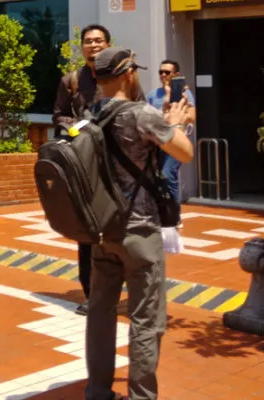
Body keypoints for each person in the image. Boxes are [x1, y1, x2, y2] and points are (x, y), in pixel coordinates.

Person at [86, 47, 193, 400]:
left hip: (103, 230)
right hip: (140, 229)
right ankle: (142, 396)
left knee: (100, 313)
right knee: (146, 319)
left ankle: (98, 391)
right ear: (128, 73)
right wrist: (175, 123)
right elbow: (185, 153)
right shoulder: (140, 114)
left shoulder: (90, 115)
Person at [53, 24, 111, 315]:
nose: (93, 45)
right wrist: (77, 131)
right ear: (82, 47)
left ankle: (115, 286)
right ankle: (91, 293)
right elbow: (59, 116)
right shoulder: (71, 80)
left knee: (117, 229)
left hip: (116, 165)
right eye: (88, 41)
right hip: (85, 165)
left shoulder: (123, 77)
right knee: (87, 231)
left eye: (98, 40)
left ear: (108, 44)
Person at [146, 60, 196, 208]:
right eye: (160, 72)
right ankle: (163, 212)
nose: (163, 75)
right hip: (157, 141)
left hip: (175, 139)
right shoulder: (153, 94)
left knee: (168, 175)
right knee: (157, 177)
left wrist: (175, 116)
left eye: (167, 72)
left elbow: (191, 117)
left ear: (176, 75)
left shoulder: (184, 94)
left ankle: (174, 215)